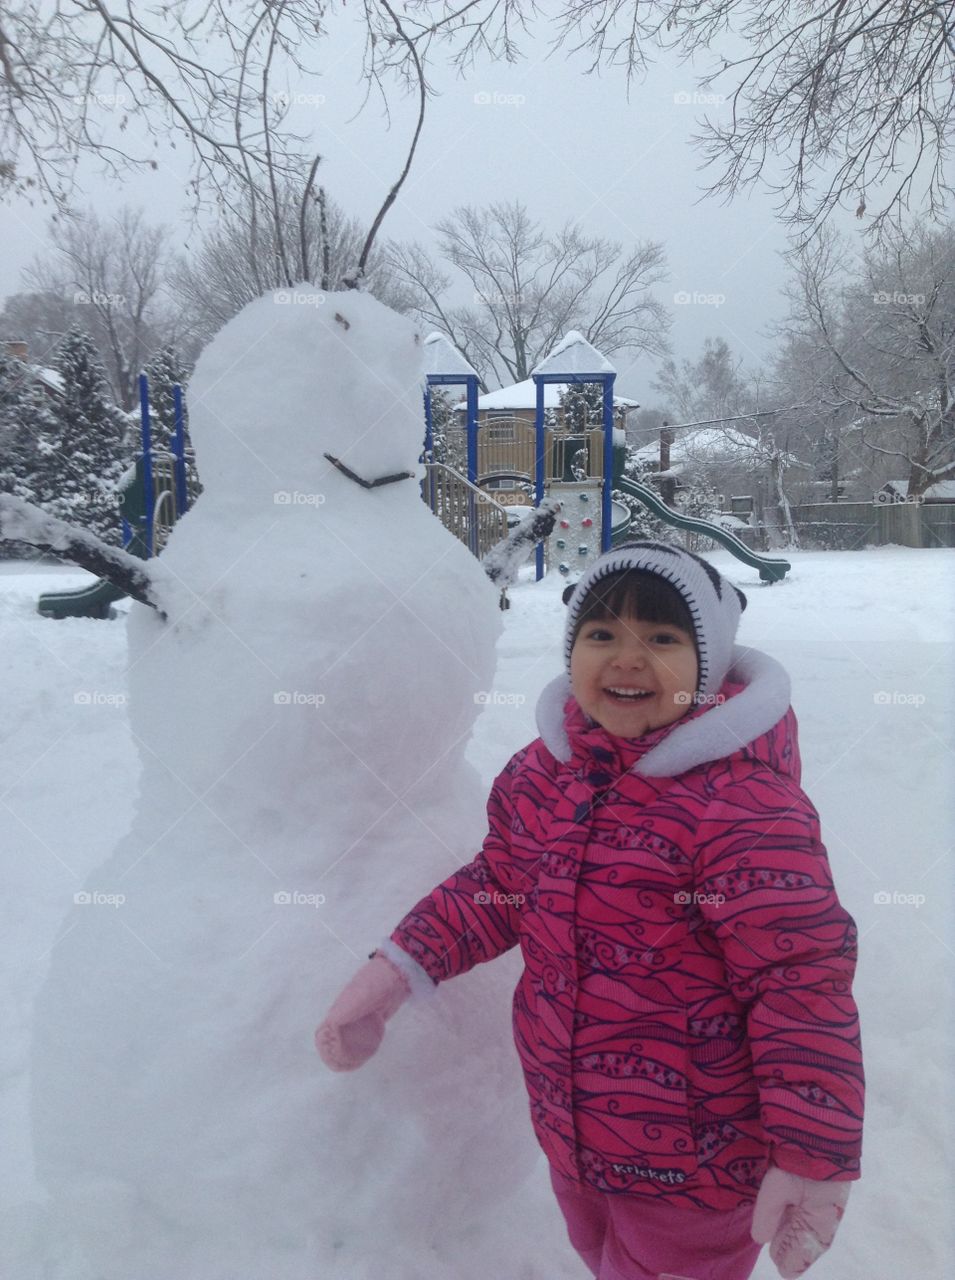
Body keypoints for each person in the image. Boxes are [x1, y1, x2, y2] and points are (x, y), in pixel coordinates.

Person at [315, 541, 864, 1280]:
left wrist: (813, 1154)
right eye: (600, 635)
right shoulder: (546, 776)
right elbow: (498, 885)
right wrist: (396, 970)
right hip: (573, 1127)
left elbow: (799, 984)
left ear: (707, 665)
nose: (626, 660)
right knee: (599, 1253)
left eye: (662, 640)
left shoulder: (743, 810)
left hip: (699, 1159)